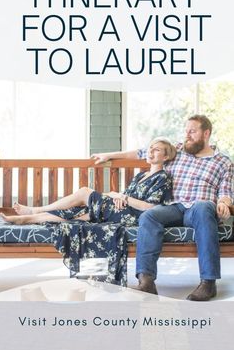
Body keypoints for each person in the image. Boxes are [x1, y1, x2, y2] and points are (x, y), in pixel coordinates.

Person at [92, 115, 234, 300]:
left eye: (192, 131)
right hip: (173, 207)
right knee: (150, 215)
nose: (187, 135)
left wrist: (223, 203)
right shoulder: (177, 151)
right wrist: (110, 155)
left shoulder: (223, 162)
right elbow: (142, 153)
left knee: (203, 206)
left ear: (206, 133)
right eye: (186, 131)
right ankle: (146, 281)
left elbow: (226, 192)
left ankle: (208, 283)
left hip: (199, 209)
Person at [1, 138, 176, 228]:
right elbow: (122, 196)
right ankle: (26, 218)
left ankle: (36, 209)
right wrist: (115, 196)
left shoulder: (163, 177)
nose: (151, 151)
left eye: (157, 150)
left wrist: (122, 197)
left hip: (133, 216)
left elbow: (150, 208)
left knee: (85, 192)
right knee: (75, 213)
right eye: (150, 148)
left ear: (166, 157)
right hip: (119, 208)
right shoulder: (140, 176)